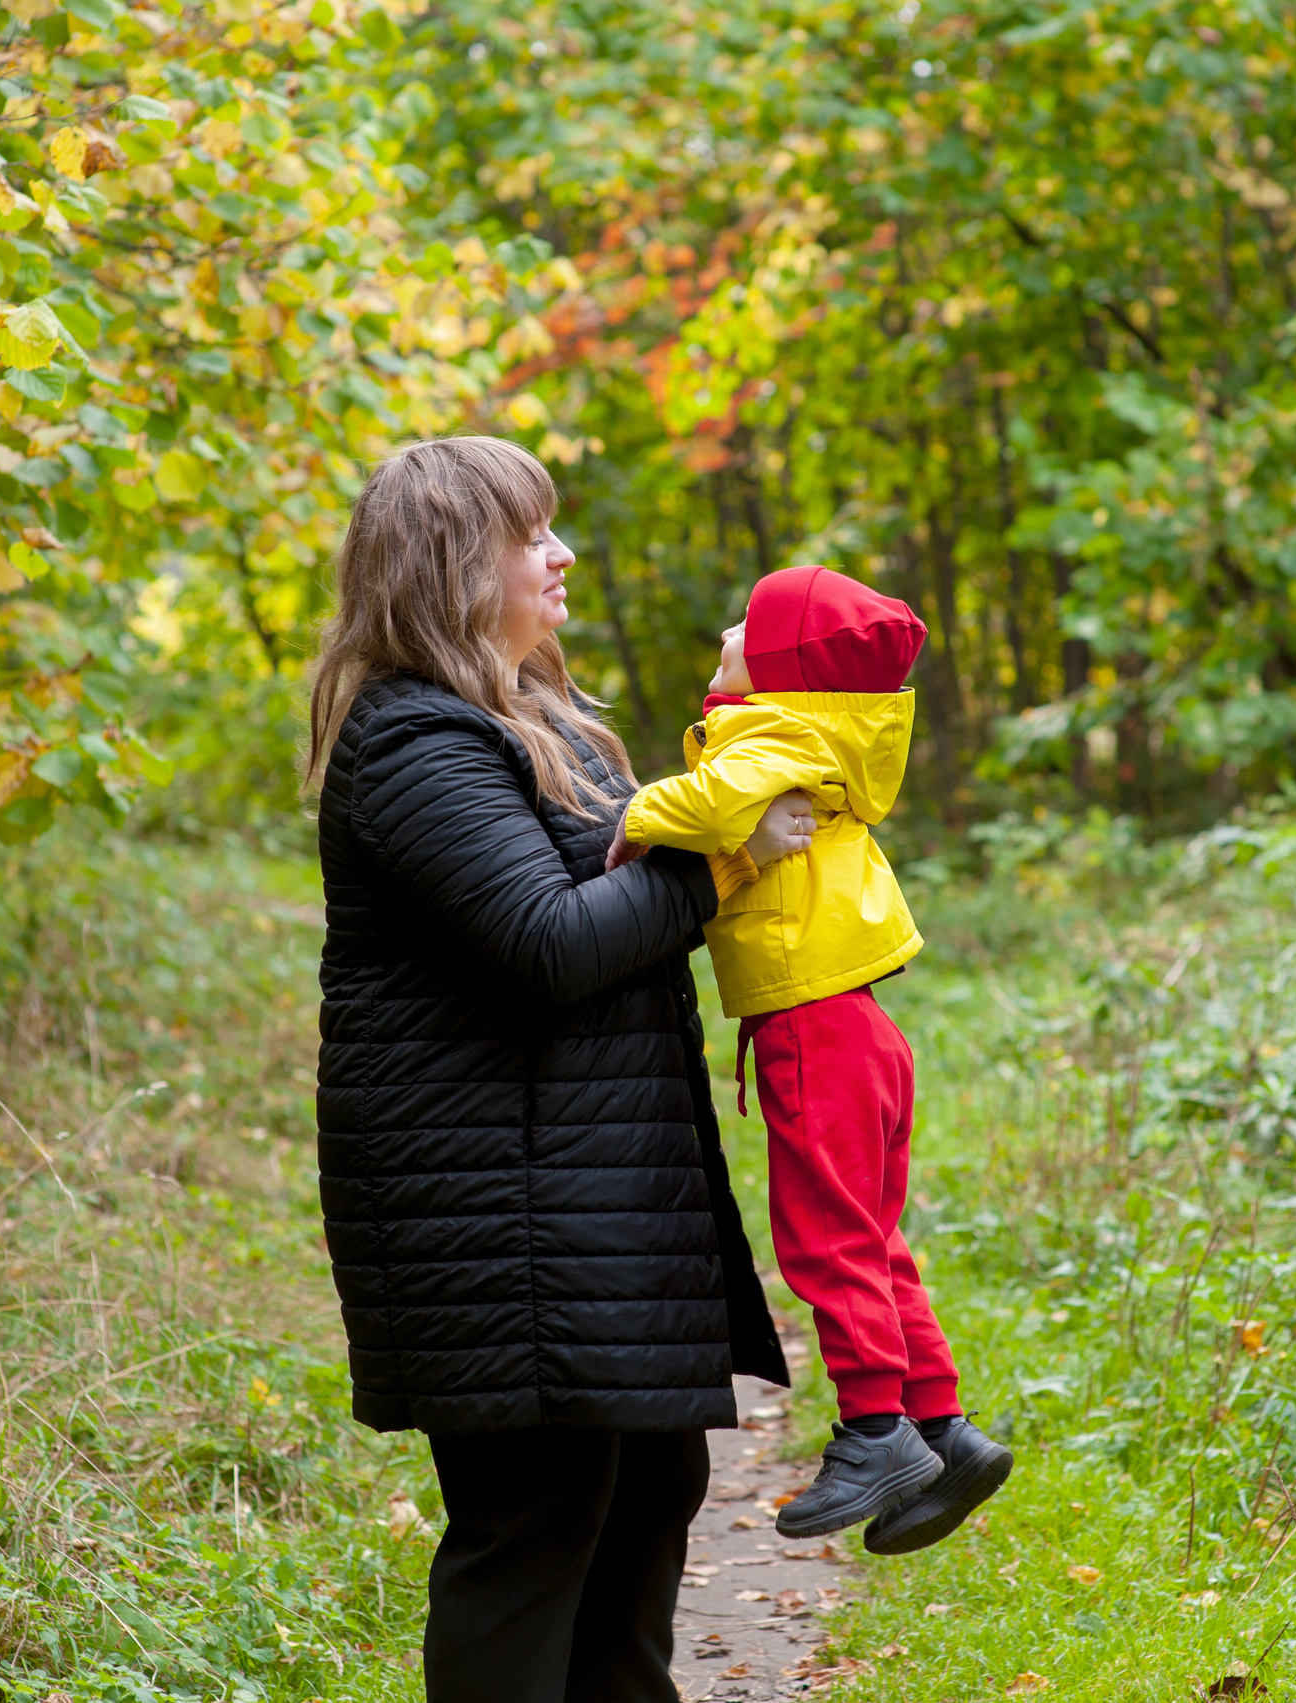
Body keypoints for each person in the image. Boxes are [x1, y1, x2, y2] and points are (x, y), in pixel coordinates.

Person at [305, 437, 811, 1702]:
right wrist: (723, 861)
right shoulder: (413, 740)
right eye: (532, 534)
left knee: (648, 1493)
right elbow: (547, 943)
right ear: (449, 565)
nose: (562, 554)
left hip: (587, 1201)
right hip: (499, 1221)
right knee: (534, 1525)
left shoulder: (537, 725)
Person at [604, 564, 1015, 1556]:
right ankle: (941, 1425)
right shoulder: (823, 735)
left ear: (783, 665)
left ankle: (876, 1429)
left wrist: (626, 820)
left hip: (811, 1023)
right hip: (860, 1023)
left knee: (823, 1239)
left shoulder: (771, 732)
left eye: (747, 622)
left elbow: (706, 806)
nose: (726, 622)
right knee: (870, 1237)